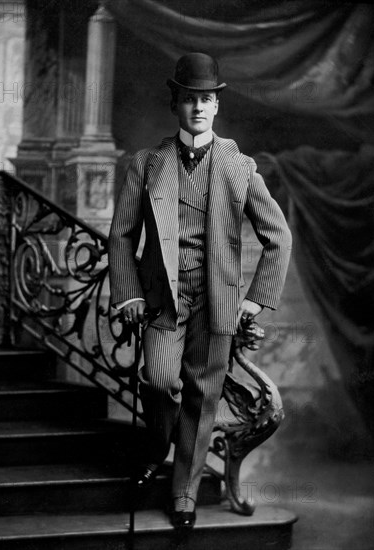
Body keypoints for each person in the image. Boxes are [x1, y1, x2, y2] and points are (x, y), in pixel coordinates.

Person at [108, 52, 292, 531]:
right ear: (176, 104)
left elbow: (278, 236)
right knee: (161, 382)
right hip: (161, 300)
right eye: (190, 99)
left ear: (217, 106)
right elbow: (122, 234)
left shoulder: (239, 165)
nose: (199, 108)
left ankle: (183, 494)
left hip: (218, 302)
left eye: (207, 99)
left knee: (203, 395)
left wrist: (253, 300)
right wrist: (128, 292)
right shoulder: (147, 164)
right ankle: (156, 446)